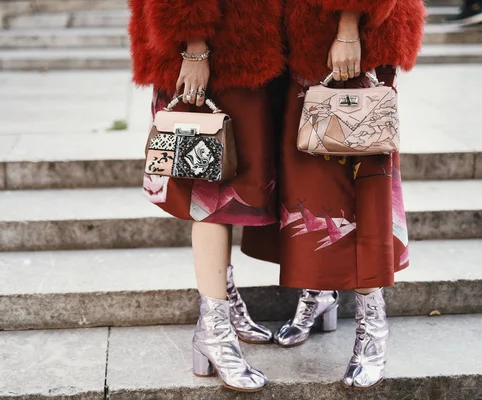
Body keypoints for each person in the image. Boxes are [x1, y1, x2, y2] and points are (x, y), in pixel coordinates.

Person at [130, 0, 424, 392]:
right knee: (216, 185)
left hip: (334, 31)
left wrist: (350, 24)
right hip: (239, 37)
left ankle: (369, 324)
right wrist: (194, 44)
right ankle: (216, 328)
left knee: (357, 182)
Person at [242, 0, 425, 390]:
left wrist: (348, 24)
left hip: (349, 32)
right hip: (301, 36)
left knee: (362, 188)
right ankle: (318, 293)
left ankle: (372, 326)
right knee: (308, 184)